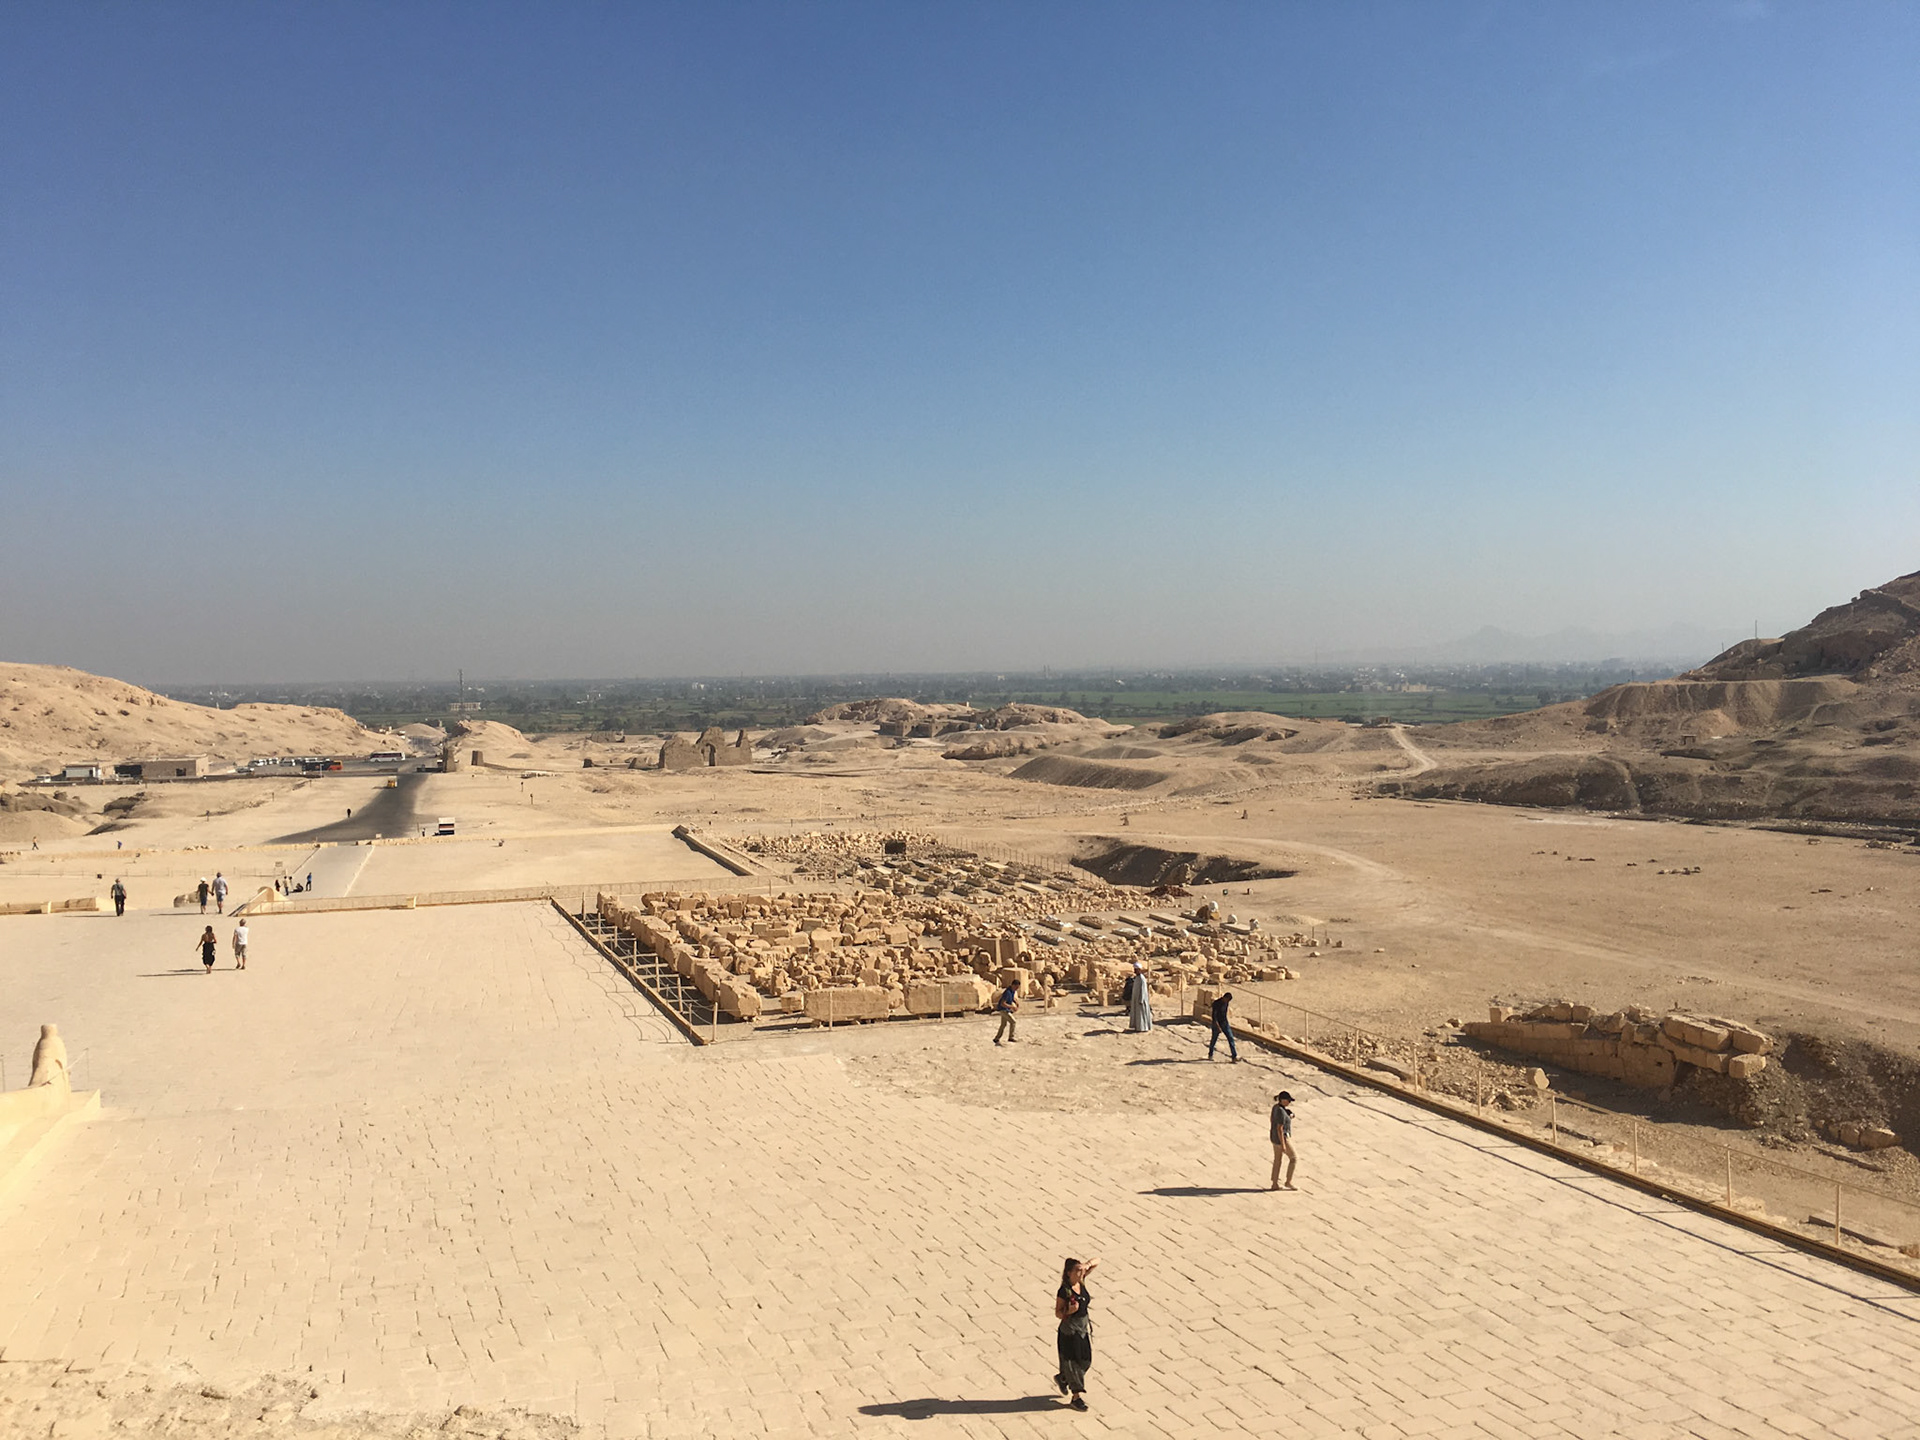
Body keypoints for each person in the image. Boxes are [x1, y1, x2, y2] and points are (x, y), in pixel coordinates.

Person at [1054, 1256, 1101, 1410]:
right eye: (1077, 1271)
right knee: (1073, 1364)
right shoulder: (1064, 1291)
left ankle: (1063, 1378)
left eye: (1081, 1271)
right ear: (1069, 1273)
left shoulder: (1081, 1281)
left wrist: (1086, 1265)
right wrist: (1069, 1310)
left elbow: (1098, 1260)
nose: (1080, 1273)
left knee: (1086, 1361)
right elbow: (1058, 1313)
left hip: (1082, 1329)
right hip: (1070, 1332)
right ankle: (1076, 1397)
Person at [1270, 1091, 1297, 1190]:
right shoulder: (1281, 1112)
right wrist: (1283, 1144)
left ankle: (1274, 1183)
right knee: (1293, 1158)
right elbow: (1280, 1129)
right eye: (1288, 1100)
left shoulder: (1275, 1108)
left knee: (1277, 1160)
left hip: (1274, 1138)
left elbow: (1272, 1120)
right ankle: (1288, 1181)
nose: (1289, 1102)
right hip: (1282, 1138)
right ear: (1283, 1100)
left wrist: (1289, 1116)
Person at [1208, 990, 1240, 1062]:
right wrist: (1218, 1026)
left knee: (1231, 1038)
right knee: (1214, 1039)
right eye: (1227, 1000)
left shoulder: (1226, 1003)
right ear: (1224, 998)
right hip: (1216, 1023)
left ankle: (1234, 1056)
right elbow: (1214, 1017)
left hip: (1224, 1023)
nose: (1227, 1002)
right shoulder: (1216, 1003)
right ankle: (1210, 1054)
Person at [1126, 961, 1153, 1033]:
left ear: (1139, 970)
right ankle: (1138, 1027)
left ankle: (1143, 1027)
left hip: (1141, 999)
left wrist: (1141, 999)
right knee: (1137, 1014)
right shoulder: (1137, 978)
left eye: (1136, 969)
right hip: (1136, 998)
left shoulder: (1141, 978)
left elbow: (1143, 990)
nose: (1134, 971)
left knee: (1141, 1014)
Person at [992, 977, 1020, 1044]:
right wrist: (1012, 1007)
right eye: (1016, 987)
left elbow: (1012, 998)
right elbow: (1003, 1003)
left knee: (1003, 1025)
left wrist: (1016, 1002)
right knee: (1013, 1022)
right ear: (1013, 985)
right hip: (1003, 1009)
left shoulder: (1012, 990)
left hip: (1006, 1009)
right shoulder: (1007, 992)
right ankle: (1011, 1037)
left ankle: (996, 1038)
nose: (1017, 989)